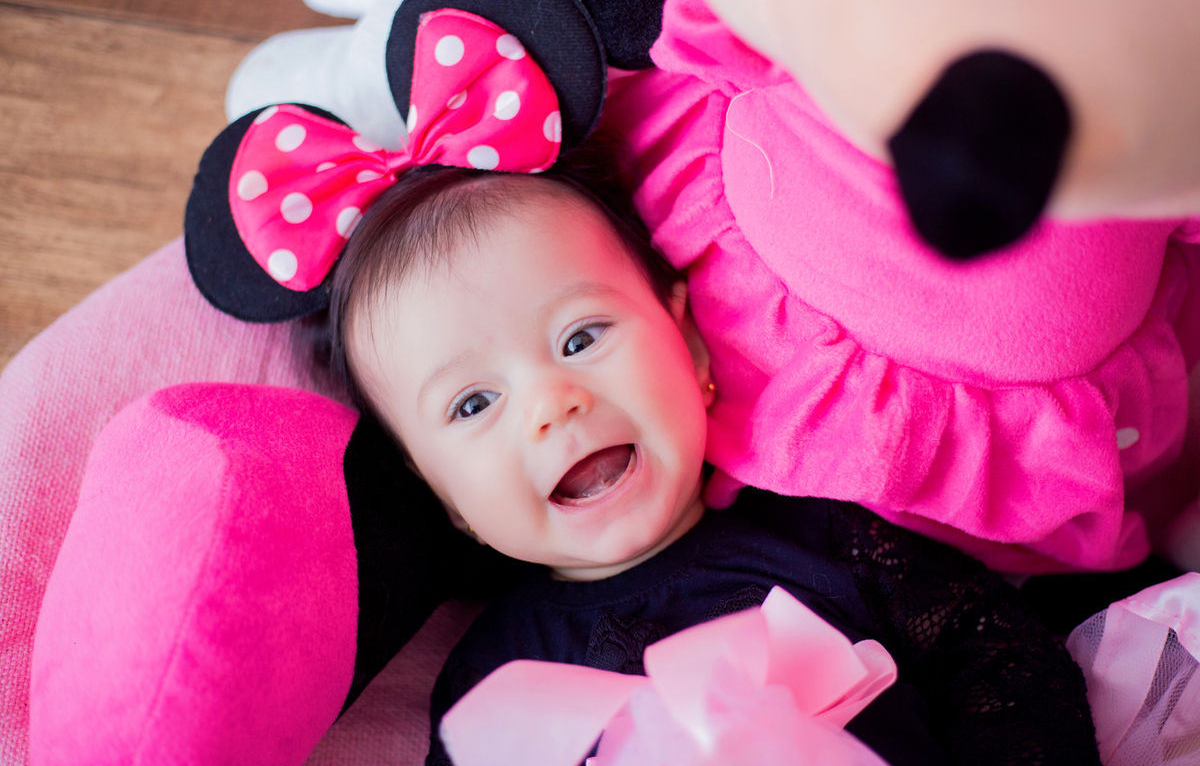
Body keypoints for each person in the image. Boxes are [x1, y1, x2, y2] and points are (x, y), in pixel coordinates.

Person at [307, 143, 1101, 766]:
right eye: (474, 404)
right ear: (443, 495)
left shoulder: (828, 539)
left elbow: (990, 646)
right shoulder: (493, 681)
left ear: (687, 344)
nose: (553, 406)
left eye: (581, 338)